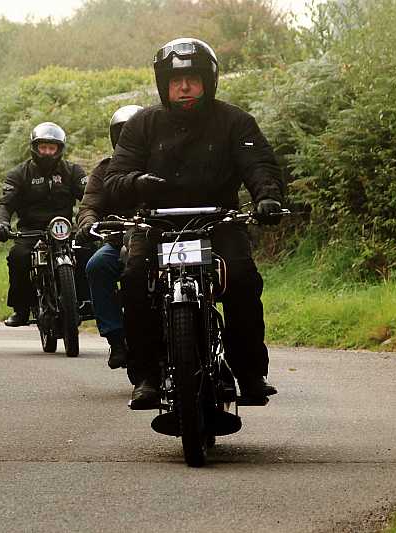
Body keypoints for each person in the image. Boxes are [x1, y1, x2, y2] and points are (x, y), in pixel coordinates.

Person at [102, 38, 285, 409]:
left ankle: (250, 373)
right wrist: (137, 183)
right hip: (156, 225)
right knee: (134, 280)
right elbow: (114, 178)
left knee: (243, 279)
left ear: (209, 82)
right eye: (176, 81)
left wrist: (268, 198)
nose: (184, 88)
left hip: (219, 221)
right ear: (164, 85)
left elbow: (260, 166)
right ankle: (147, 377)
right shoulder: (142, 125)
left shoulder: (236, 121)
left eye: (192, 80)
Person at [0, 122, 87, 326]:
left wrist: (92, 221)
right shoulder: (19, 174)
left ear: (59, 149)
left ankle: (84, 302)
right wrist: (1, 224)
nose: (47, 153)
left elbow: (90, 199)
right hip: (30, 232)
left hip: (64, 231)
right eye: (43, 147)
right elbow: (3, 204)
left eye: (52, 148)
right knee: (18, 257)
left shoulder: (73, 171)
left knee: (87, 251)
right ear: (35, 148)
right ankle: (21, 309)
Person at [75, 104, 144, 370]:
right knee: (96, 266)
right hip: (118, 240)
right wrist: (88, 223)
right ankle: (116, 339)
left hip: (161, 239)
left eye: (135, 130)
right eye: (124, 132)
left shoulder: (163, 161)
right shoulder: (105, 169)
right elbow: (89, 204)